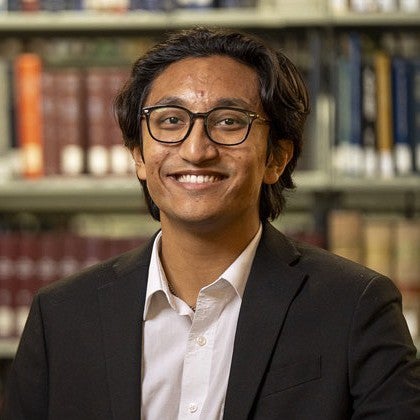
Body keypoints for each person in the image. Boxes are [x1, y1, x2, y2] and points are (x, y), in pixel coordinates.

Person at [2, 27, 420, 420]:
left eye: (228, 122)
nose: (197, 150)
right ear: (138, 156)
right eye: (170, 121)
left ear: (278, 158)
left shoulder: (355, 306)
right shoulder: (61, 316)